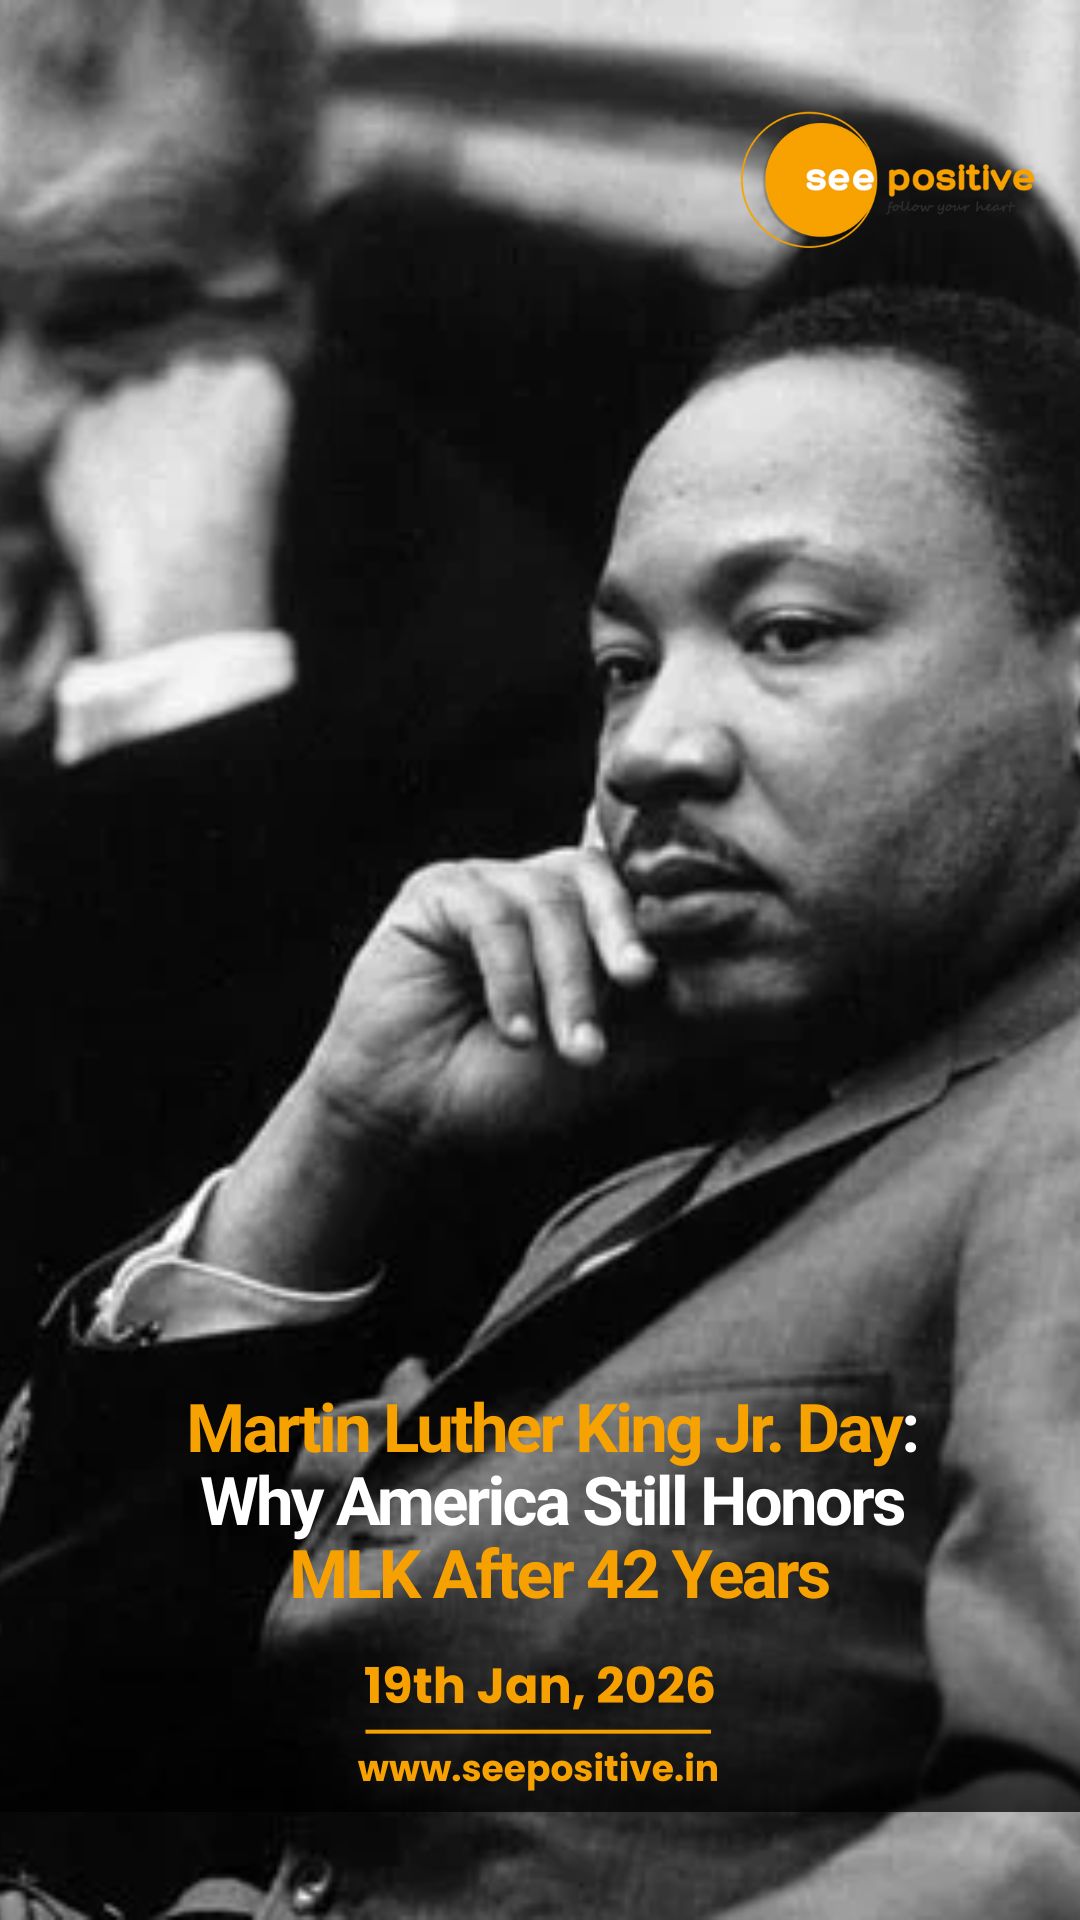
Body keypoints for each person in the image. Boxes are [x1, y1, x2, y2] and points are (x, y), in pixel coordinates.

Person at [5, 285, 1080, 1909]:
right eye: (623, 664)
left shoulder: (1050, 1129)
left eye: (788, 632)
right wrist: (339, 1137)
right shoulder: (651, 1190)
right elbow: (75, 1756)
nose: (649, 749)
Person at [0, 0, 598, 1340]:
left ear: (300, 271)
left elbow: (184, 1307)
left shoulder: (502, 679)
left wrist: (186, 695)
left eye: (117, 312)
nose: (10, 420)